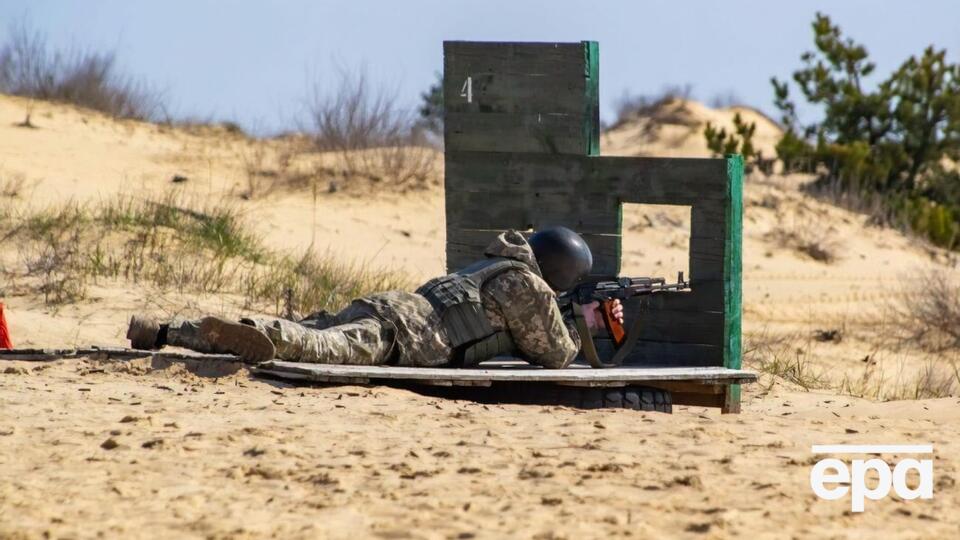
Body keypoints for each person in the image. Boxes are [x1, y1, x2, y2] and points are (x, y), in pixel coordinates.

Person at [126, 227, 623, 368]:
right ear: (561, 275)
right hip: (401, 334)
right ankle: (258, 334)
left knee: (316, 325)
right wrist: (589, 323)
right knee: (314, 346)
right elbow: (554, 355)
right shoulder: (529, 287)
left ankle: (166, 330)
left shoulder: (498, 265)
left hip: (391, 305)